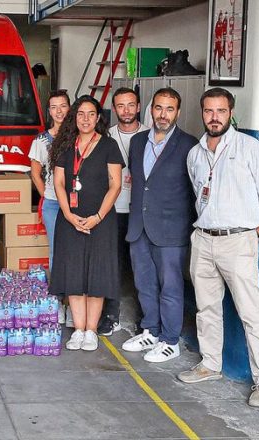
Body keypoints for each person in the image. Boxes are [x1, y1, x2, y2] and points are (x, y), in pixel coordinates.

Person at [178, 88, 259, 408]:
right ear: (202, 113)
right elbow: (200, 196)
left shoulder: (250, 148)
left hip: (238, 240)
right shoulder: (195, 153)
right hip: (204, 239)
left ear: (231, 112)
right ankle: (210, 364)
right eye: (209, 111)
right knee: (207, 308)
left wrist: (253, 231)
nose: (214, 117)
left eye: (220, 111)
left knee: (251, 312)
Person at [120, 88, 198, 363]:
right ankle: (151, 331)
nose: (163, 115)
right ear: (150, 109)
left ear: (177, 112)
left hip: (171, 229)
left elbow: (194, 190)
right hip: (139, 226)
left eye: (169, 109)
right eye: (158, 108)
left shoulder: (189, 144)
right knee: (144, 284)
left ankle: (170, 340)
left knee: (171, 287)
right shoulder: (139, 141)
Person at [49, 95, 123, 352]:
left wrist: (99, 216)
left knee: (96, 274)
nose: (86, 119)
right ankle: (78, 329)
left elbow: (116, 184)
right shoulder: (65, 146)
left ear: (98, 117)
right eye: (81, 114)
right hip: (70, 219)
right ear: (74, 117)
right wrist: (69, 215)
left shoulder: (109, 146)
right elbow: (59, 183)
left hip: (100, 220)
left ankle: (91, 331)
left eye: (91, 114)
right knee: (74, 274)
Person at [101, 87, 149, 336]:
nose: (126, 110)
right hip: (113, 209)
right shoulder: (106, 137)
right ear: (114, 108)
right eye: (120, 105)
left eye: (131, 105)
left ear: (139, 107)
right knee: (113, 264)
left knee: (142, 266)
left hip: (141, 211)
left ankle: (145, 320)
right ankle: (110, 316)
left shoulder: (151, 136)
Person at [29, 90, 71, 325]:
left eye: (63, 106)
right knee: (56, 253)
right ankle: (58, 302)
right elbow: (35, 171)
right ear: (49, 111)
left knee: (76, 252)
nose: (59, 111)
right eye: (54, 107)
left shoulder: (79, 136)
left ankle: (74, 303)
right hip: (54, 204)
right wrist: (46, 193)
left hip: (78, 203)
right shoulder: (41, 140)